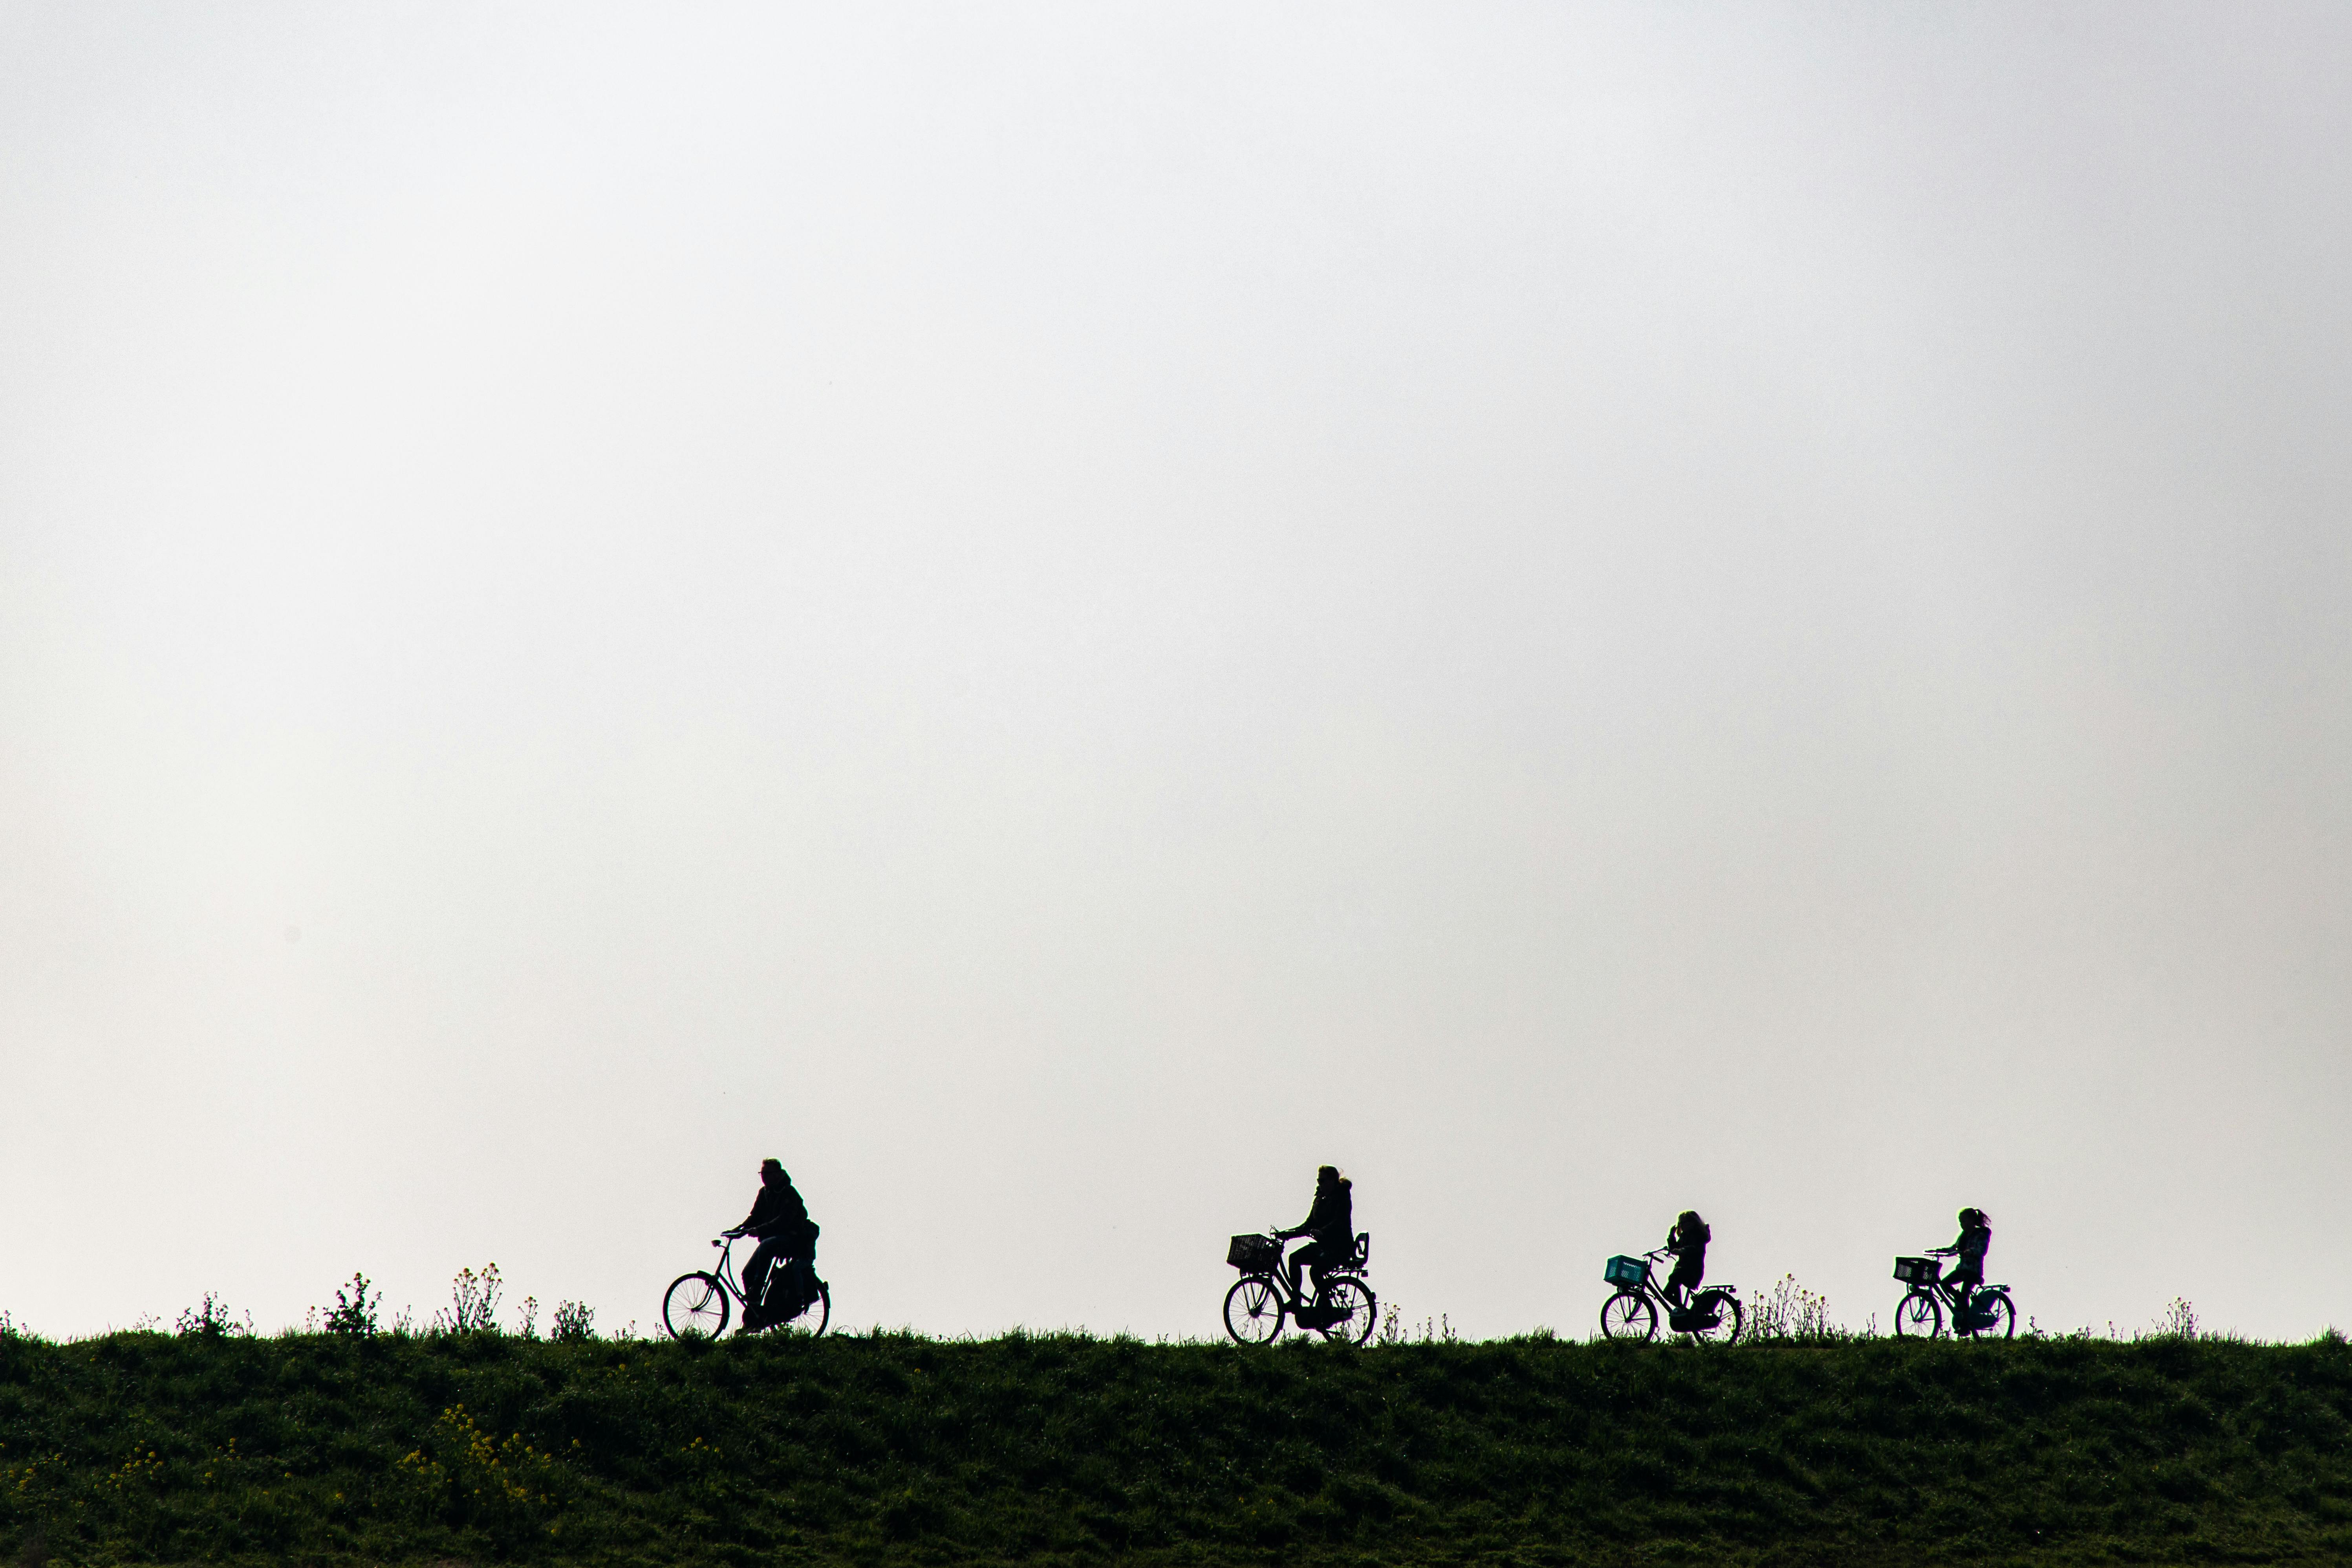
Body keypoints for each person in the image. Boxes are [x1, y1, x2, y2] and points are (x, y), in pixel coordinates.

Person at [724, 1158, 819, 1332]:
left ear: (779, 1174)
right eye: (762, 1174)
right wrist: (738, 1231)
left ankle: (758, 1292)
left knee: (767, 1246)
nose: (764, 1177)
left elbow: (783, 1222)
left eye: (768, 1174)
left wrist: (759, 1230)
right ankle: (756, 1315)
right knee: (747, 1273)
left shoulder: (790, 1193)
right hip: (773, 1241)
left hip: (792, 1240)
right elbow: (755, 1217)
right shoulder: (764, 1193)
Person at [1276, 1165, 1353, 1299]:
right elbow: (1308, 1224)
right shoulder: (1319, 1199)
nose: (1320, 1184)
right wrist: (1287, 1234)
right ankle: (1296, 1299)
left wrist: (1322, 1232)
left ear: (1332, 1181)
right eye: (1319, 1181)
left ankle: (1326, 1305)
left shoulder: (1342, 1196)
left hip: (1340, 1248)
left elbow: (1340, 1221)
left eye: (1323, 1181)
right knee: (1294, 1259)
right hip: (1324, 1247)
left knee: (1316, 1271)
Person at [1931, 1207, 1991, 1301]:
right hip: (1962, 1270)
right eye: (1960, 1222)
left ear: (1972, 1220)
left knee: (1965, 1295)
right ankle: (1958, 1298)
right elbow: (1954, 1248)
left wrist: (1970, 1252)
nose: (1962, 1224)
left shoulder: (1981, 1234)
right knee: (1944, 1283)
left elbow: (1981, 1250)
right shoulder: (1963, 1236)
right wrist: (1941, 1251)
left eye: (1964, 1221)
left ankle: (1965, 1313)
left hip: (1973, 1272)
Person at [1663, 1210, 1710, 1307]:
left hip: (1692, 1271)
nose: (1682, 1226)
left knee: (1673, 1280)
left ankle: (1681, 1309)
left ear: (1693, 1223)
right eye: (1680, 1223)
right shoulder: (1685, 1236)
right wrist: (1671, 1236)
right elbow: (1674, 1248)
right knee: (1671, 1283)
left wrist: (1681, 1251)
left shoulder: (1698, 1235)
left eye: (1684, 1223)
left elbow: (1694, 1249)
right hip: (1682, 1269)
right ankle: (1680, 1309)